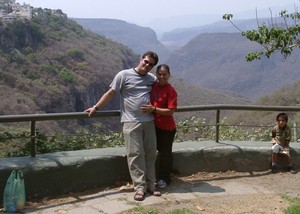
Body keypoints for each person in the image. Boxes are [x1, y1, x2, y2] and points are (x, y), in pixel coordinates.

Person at [85, 51, 161, 201]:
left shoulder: (152, 79)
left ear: (153, 67)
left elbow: (161, 93)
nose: (147, 65)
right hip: (131, 121)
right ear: (141, 59)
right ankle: (140, 187)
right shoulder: (123, 75)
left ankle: (151, 184)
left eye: (151, 64)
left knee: (151, 154)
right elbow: (111, 93)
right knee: (135, 155)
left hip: (149, 121)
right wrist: (96, 107)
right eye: (145, 61)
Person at [141, 64, 177, 188]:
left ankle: (165, 178)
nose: (161, 77)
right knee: (150, 151)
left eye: (164, 74)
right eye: (159, 74)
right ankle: (151, 177)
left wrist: (154, 109)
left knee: (165, 153)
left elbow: (171, 111)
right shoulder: (153, 86)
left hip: (167, 128)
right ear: (156, 74)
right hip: (153, 125)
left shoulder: (170, 91)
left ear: (169, 75)